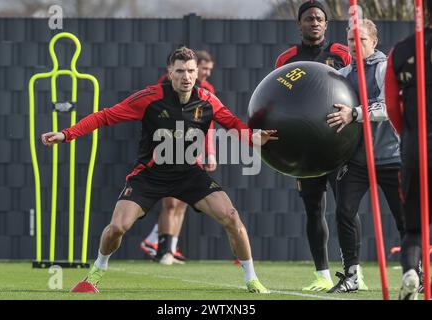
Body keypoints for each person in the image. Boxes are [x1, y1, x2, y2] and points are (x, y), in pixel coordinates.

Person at [41, 47, 277, 293]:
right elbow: (105, 116)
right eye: (180, 71)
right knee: (117, 228)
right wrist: (66, 134)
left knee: (231, 216)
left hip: (189, 174)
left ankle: (251, 279)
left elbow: (233, 124)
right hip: (150, 175)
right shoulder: (150, 97)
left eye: (191, 71)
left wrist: (253, 137)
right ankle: (95, 273)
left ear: (197, 73)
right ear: (170, 73)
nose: (186, 77)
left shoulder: (207, 100)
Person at [274, 0, 355, 292]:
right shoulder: (287, 58)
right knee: (313, 209)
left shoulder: (341, 53)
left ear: (326, 23)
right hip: (306, 150)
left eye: (319, 18)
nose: (315, 23)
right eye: (309, 19)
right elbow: (279, 99)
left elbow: (357, 89)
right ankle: (321, 273)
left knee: (346, 208)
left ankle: (353, 271)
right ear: (299, 24)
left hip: (338, 144)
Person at [326, 18, 406, 293]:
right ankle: (351, 275)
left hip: (391, 156)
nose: (354, 44)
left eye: (360, 39)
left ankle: (414, 270)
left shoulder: (385, 68)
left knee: (404, 218)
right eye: (350, 39)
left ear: (373, 41)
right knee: (344, 211)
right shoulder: (342, 74)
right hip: (357, 160)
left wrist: (355, 113)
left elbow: (387, 106)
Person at [140, 50, 218, 265]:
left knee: (182, 203)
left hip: (193, 150)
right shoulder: (166, 85)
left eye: (205, 70)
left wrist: (209, 152)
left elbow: (209, 125)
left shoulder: (207, 91)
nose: (205, 74)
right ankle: (161, 248)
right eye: (203, 69)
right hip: (168, 150)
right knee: (171, 203)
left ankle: (170, 248)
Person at [385, 0, 432, 300]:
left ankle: (411, 272)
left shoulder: (402, 49)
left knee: (414, 229)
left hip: (416, 151)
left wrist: (411, 137)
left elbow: (392, 107)